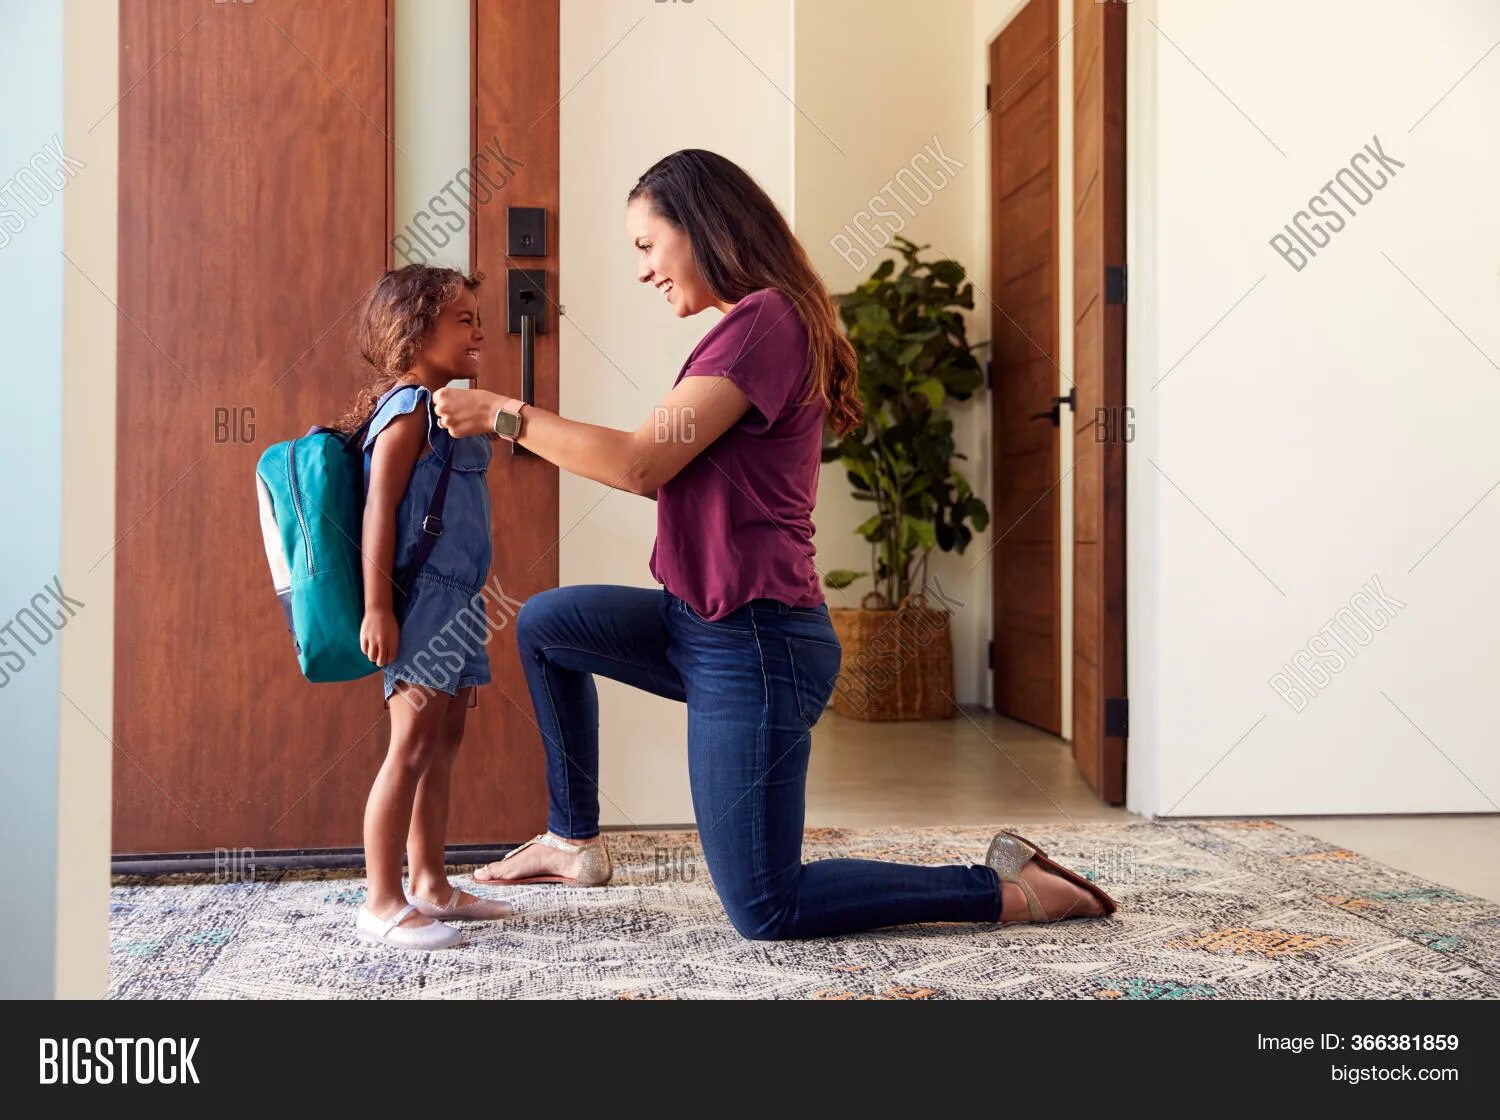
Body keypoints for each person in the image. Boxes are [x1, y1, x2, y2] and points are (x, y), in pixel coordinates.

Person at [433, 150, 1116, 939]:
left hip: (757, 645)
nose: (643, 270)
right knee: (549, 623)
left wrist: (503, 412)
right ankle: (572, 838)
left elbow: (640, 462)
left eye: (647, 246)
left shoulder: (766, 322)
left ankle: (1009, 889)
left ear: (702, 228)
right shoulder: (750, 327)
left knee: (765, 906)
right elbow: (664, 468)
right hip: (700, 623)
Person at [341, 265, 514, 950]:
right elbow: (381, 507)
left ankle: (432, 883)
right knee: (409, 747)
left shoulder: (447, 407)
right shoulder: (409, 408)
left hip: (461, 600)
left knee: (444, 743)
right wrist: (378, 608)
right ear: (414, 332)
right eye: (462, 319)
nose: (478, 330)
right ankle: (381, 900)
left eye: (477, 317)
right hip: (425, 604)